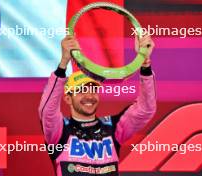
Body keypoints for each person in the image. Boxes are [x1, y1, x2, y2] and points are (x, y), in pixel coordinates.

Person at [39, 35, 156, 176]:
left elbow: (146, 109)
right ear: (68, 99)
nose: (89, 96)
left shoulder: (113, 126)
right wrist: (63, 64)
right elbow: (47, 110)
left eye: (93, 90)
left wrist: (145, 64)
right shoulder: (60, 130)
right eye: (81, 91)